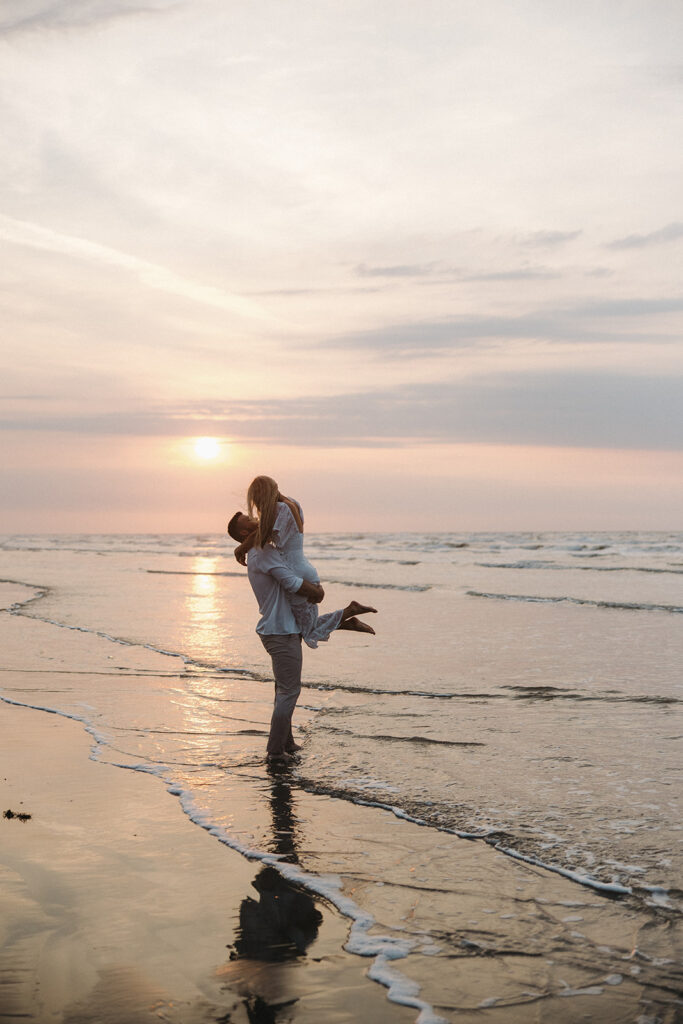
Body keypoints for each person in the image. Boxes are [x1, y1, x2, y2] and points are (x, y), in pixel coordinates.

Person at [230, 476, 377, 646]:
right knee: (304, 627)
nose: (255, 508)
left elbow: (262, 534)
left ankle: (348, 614)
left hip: (294, 571)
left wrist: (240, 548)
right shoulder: (293, 503)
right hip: (304, 567)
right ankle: (348, 619)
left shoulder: (279, 509)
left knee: (306, 631)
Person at [228, 508, 324, 763]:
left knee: (283, 689)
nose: (256, 517)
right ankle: (275, 752)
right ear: (246, 532)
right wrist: (316, 592)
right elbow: (290, 582)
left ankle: (287, 741)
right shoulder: (263, 552)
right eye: (248, 519)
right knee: (289, 691)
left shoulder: (259, 552)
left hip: (279, 629)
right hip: (280, 631)